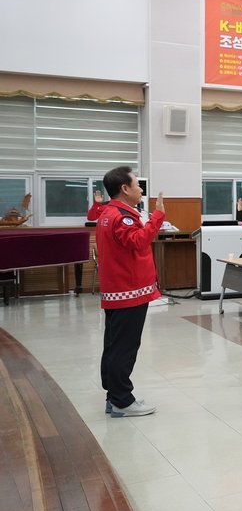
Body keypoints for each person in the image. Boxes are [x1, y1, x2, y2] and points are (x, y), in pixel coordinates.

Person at [96, 166, 164, 418]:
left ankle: (114, 396)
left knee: (114, 346)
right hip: (129, 291)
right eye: (137, 185)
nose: (141, 190)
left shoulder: (108, 213)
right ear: (124, 189)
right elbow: (138, 241)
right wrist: (158, 216)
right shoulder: (122, 216)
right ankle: (122, 400)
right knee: (124, 348)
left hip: (119, 290)